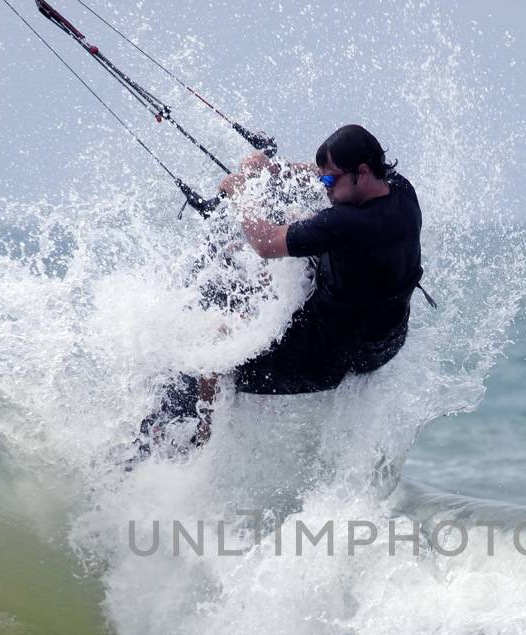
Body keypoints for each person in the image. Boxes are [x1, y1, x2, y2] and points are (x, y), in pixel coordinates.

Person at [134, 125, 427, 460]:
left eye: (330, 181)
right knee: (300, 221)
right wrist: (275, 170)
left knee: (209, 353)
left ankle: (193, 446)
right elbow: (317, 180)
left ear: (362, 171)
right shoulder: (401, 191)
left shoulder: (345, 224)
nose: (324, 186)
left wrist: (242, 192)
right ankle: (255, 309)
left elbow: (265, 243)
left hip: (325, 359)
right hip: (385, 340)